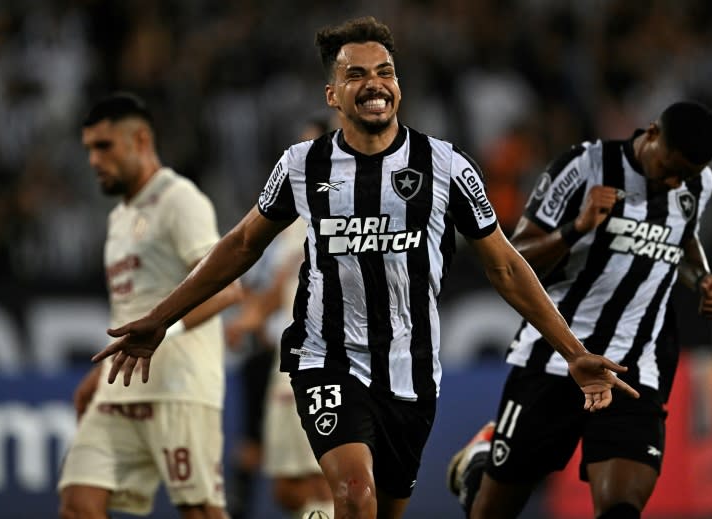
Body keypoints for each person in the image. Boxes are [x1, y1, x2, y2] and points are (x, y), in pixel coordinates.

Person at [91, 17, 638, 519]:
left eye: (385, 73)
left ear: (398, 86)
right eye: (356, 75)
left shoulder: (445, 165)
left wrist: (573, 352)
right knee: (354, 498)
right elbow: (239, 247)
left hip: (411, 370)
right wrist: (161, 319)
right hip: (325, 356)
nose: (374, 83)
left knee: (379, 511)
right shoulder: (303, 165)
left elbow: (506, 267)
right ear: (333, 94)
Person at [446, 101, 712, 519]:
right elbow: (514, 255)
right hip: (556, 358)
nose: (673, 182)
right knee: (490, 512)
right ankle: (478, 469)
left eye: (684, 176)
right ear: (651, 134)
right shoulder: (584, 166)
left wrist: (701, 277)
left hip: (633, 370)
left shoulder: (697, 183)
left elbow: (683, 239)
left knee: (620, 510)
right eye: (669, 168)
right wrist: (576, 227)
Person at [58, 92, 242, 519]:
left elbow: (227, 289)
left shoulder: (180, 199)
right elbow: (130, 309)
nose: (92, 160)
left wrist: (164, 331)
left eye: (103, 146)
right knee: (77, 504)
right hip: (118, 390)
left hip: (179, 387)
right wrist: (101, 371)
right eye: (88, 149)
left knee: (199, 512)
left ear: (140, 140)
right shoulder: (118, 217)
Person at [226, 119, 335, 519]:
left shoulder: (348, 210)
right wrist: (250, 318)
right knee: (287, 487)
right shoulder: (291, 221)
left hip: (327, 358)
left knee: (322, 476)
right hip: (283, 363)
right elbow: (279, 285)